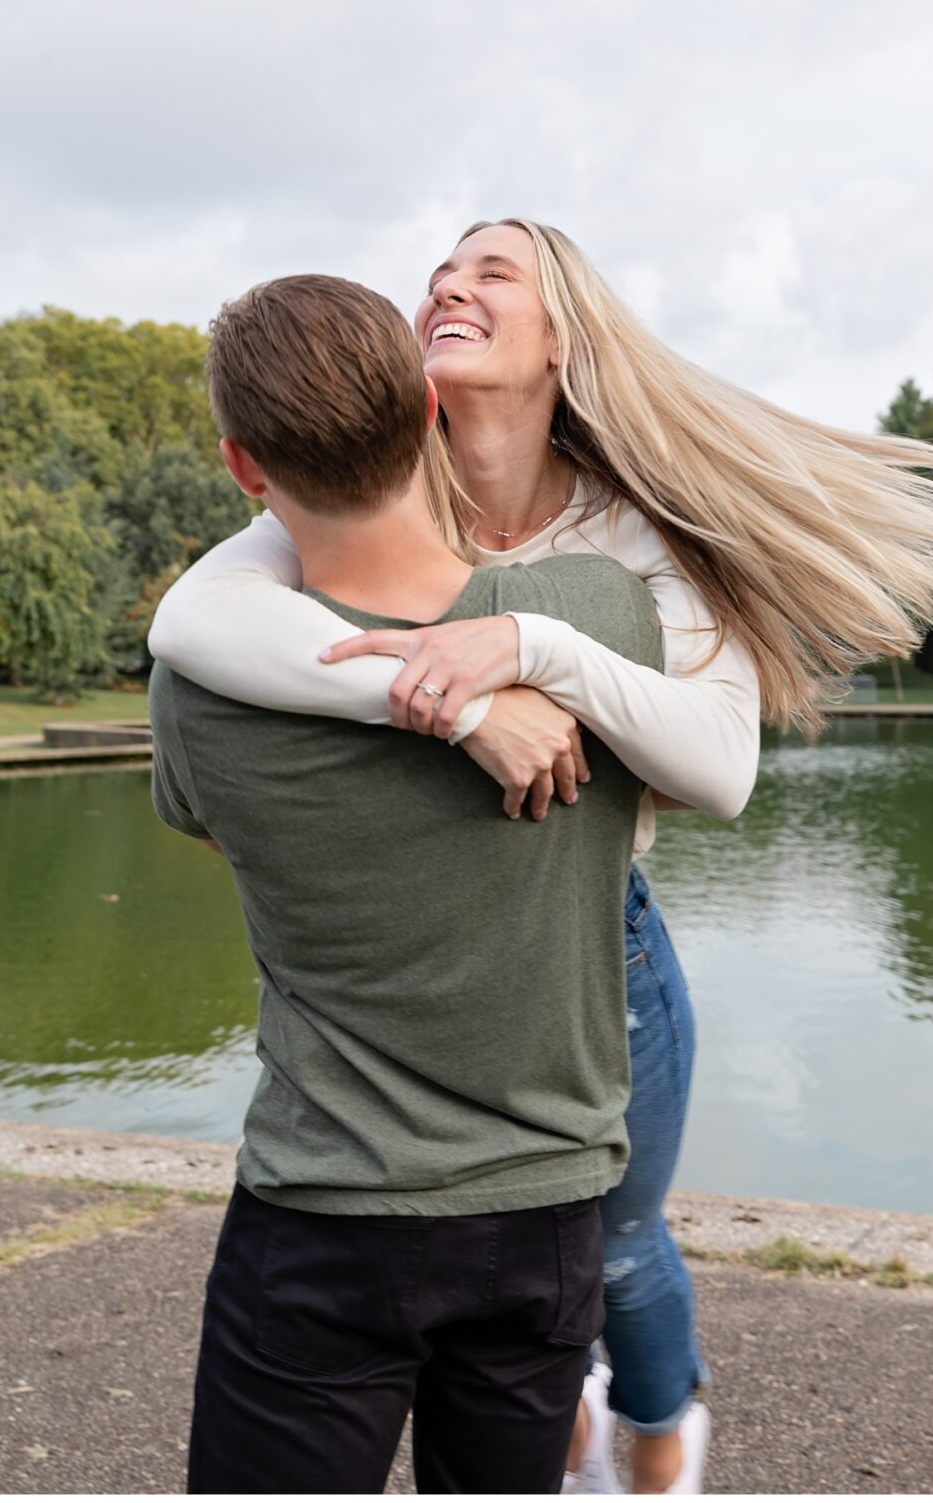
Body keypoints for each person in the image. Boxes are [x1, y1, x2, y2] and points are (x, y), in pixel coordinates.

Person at [149, 219, 933, 1494]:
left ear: (564, 337)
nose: (450, 282)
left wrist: (539, 655)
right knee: (540, 1272)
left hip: (598, 940)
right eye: (439, 270)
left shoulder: (621, 559)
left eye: (495, 272)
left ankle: (658, 1426)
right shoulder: (377, 479)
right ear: (405, 392)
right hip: (462, 1015)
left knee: (617, 1241)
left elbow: (718, 772)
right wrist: (446, 701)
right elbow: (191, 619)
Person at [154, 275, 660, 1491]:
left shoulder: (200, 688)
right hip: (543, 1218)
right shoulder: (597, 615)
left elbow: (216, 830)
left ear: (241, 467)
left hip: (322, 1215)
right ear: (428, 408)